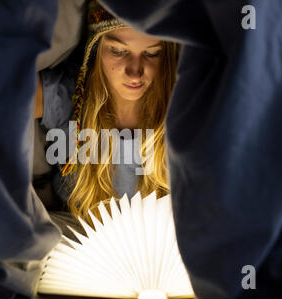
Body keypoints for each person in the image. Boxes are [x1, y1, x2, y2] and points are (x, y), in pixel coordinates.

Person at [34, 0, 178, 228]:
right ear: (96, 48)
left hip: (165, 247)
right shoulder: (74, 97)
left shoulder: (185, 109)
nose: (135, 72)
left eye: (151, 53)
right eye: (119, 51)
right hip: (77, 245)